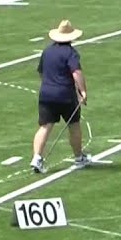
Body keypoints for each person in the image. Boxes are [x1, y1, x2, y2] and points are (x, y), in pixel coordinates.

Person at [31, 19, 92, 174]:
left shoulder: (47, 51)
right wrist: (83, 91)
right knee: (74, 125)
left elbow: (41, 72)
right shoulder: (71, 53)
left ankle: (37, 158)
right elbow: (76, 72)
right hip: (65, 94)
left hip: (46, 93)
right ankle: (79, 157)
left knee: (45, 126)